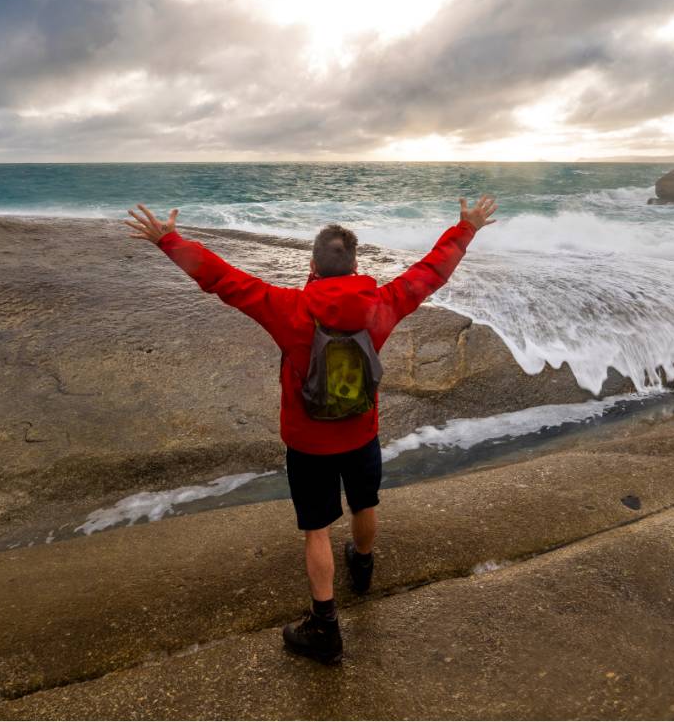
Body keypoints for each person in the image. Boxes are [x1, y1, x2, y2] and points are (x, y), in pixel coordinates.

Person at [124, 195, 498, 664]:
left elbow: (223, 279)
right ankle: (362, 565)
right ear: (356, 263)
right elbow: (430, 273)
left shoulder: (287, 308)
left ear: (312, 266)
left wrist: (167, 239)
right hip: (361, 433)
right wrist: (466, 229)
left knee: (317, 529)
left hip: (307, 443)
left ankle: (325, 626)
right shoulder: (382, 305)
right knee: (364, 501)